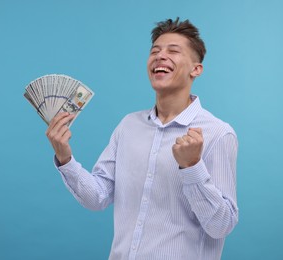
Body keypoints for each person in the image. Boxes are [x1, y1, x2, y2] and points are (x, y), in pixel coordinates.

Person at [46, 18, 238, 260]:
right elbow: (98, 197)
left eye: (173, 51)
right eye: (155, 51)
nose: (160, 56)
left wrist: (192, 168)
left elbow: (221, 226)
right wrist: (65, 157)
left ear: (196, 69)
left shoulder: (218, 134)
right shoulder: (128, 126)